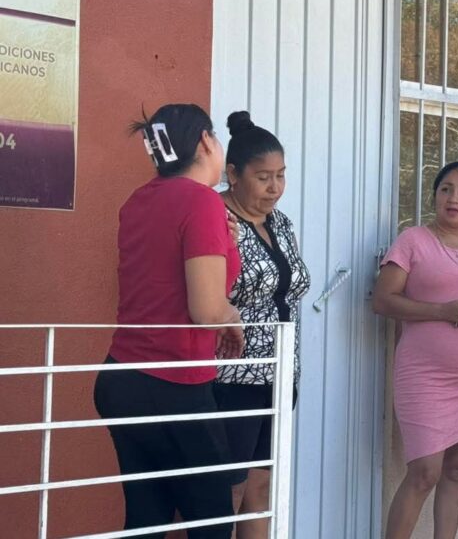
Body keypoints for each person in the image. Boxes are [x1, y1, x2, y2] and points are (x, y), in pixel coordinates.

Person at [93, 103, 244, 538]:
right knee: (213, 522)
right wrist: (232, 318)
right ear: (205, 141)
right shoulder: (201, 200)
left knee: (147, 519)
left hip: (123, 377)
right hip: (174, 381)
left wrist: (227, 243)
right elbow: (207, 310)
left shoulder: (139, 199)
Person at [372, 161, 458, 539]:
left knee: (457, 468)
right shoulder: (413, 241)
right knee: (424, 472)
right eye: (446, 189)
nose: (454, 198)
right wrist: (441, 311)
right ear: (435, 196)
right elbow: (382, 300)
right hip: (424, 376)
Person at [214, 111, 311, 538]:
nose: (275, 187)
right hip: (233, 377)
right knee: (227, 491)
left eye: (281, 176)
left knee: (261, 487)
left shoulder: (281, 223)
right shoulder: (216, 217)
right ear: (233, 174)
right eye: (263, 177)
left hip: (281, 375)